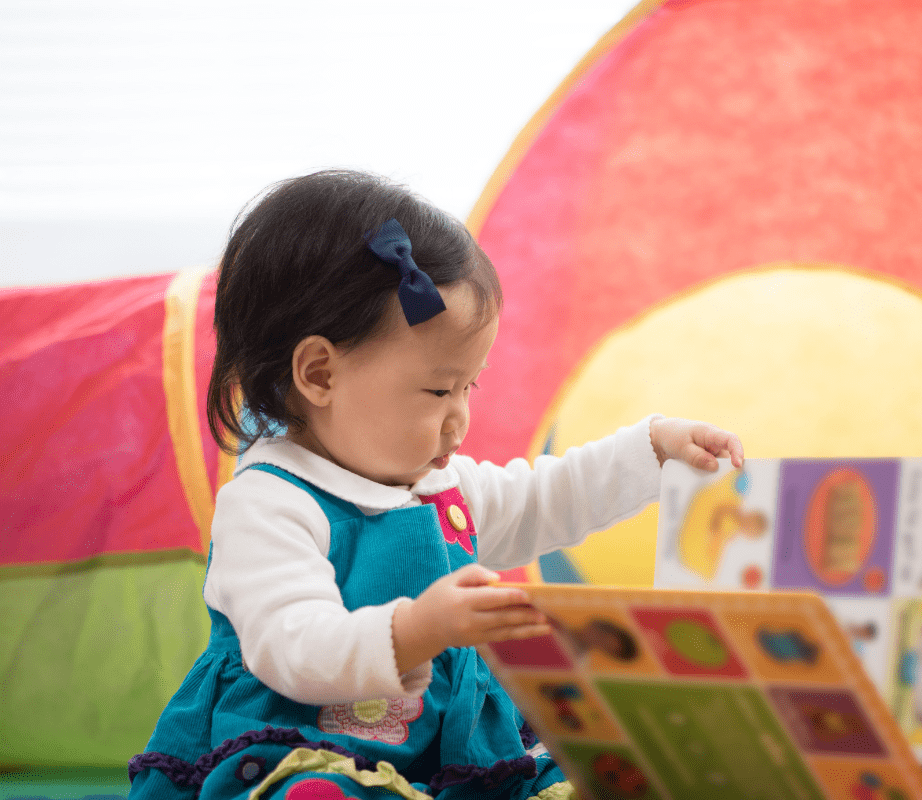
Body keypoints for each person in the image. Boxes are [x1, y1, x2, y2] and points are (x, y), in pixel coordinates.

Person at [127, 169, 744, 800]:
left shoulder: (440, 487)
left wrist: (653, 451)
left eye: (468, 387)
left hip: (455, 748)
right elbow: (293, 646)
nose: (460, 418)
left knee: (598, 770)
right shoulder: (268, 503)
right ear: (319, 374)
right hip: (305, 742)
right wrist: (417, 630)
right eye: (438, 390)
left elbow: (545, 500)